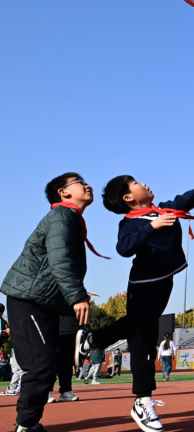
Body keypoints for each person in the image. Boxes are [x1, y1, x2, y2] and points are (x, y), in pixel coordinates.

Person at [76, 174, 194, 432]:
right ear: (128, 198)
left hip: (163, 283)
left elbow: (186, 200)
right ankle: (143, 401)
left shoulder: (163, 209)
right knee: (143, 340)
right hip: (143, 286)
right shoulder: (130, 222)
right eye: (136, 183)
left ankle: (93, 339)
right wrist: (153, 226)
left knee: (138, 327)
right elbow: (124, 248)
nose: (144, 183)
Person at [0, 173, 97, 432]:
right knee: (40, 366)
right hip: (28, 299)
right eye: (79, 182)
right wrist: (78, 295)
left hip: (42, 302)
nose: (87, 185)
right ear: (64, 193)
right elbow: (60, 258)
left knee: (46, 365)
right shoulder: (62, 216)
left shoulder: (70, 217)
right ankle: (26, 426)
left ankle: (29, 424)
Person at [49, 312, 81, 403]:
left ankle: (66, 391)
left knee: (67, 362)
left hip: (71, 327)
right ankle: (47, 391)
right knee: (52, 361)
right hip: (53, 325)